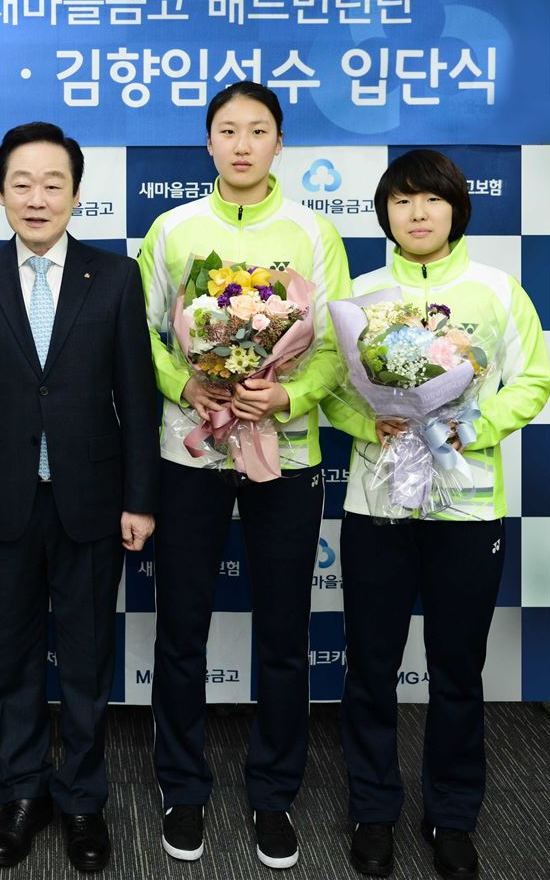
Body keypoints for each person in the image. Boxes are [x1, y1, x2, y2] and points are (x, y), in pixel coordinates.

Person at [0, 122, 159, 873]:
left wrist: (140, 497)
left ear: (77, 194)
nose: (37, 198)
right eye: (21, 183)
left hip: (92, 498)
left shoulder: (114, 276)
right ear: (0, 193)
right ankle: (21, 791)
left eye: (52, 183)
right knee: (11, 656)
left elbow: (138, 398)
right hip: (1, 500)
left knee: (87, 661)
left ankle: (84, 797)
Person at [137, 81, 352, 867]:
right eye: (227, 130)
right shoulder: (172, 229)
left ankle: (273, 792)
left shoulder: (315, 232)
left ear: (279, 143)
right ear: (208, 142)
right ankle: (183, 786)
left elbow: (337, 344)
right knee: (181, 626)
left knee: (285, 631)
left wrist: (288, 393)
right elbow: (144, 333)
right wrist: (185, 385)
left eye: (257, 130)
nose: (241, 144)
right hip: (190, 449)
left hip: (285, 453)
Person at [323, 150, 550, 880]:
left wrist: (469, 428)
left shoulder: (497, 290)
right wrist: (369, 422)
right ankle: (373, 809)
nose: (417, 213)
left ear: (457, 208)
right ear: (384, 214)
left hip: (467, 508)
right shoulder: (359, 296)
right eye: (401, 201)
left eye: (431, 199)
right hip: (377, 504)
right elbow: (331, 388)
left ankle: (452, 815)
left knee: (458, 670)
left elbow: (535, 378)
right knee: (371, 666)